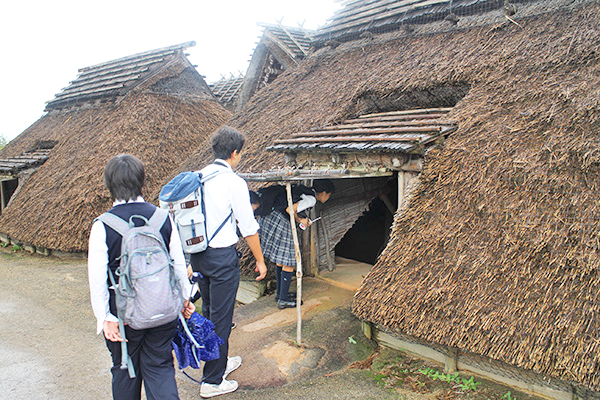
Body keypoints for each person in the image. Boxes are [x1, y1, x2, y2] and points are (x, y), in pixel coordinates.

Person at [88, 154, 195, 400]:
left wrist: (105, 317)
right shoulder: (162, 217)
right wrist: (185, 299)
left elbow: (97, 276)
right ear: (141, 181)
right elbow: (178, 264)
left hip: (124, 317)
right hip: (163, 310)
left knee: (125, 371)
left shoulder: (103, 225)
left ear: (109, 185)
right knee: (160, 368)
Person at [190, 126, 267, 398]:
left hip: (197, 255)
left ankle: (218, 363)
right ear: (234, 153)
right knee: (221, 319)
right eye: (240, 154)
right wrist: (260, 260)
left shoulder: (198, 177)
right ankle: (212, 381)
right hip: (222, 258)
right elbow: (248, 226)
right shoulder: (234, 182)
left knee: (210, 312)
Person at [260, 179, 335, 309]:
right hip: (281, 222)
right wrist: (301, 219)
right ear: (323, 192)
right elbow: (290, 210)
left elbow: (291, 207)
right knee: (289, 261)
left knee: (280, 260)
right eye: (329, 194)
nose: (328, 197)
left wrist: (302, 219)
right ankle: (283, 300)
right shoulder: (311, 199)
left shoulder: (304, 191)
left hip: (272, 217)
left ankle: (280, 293)